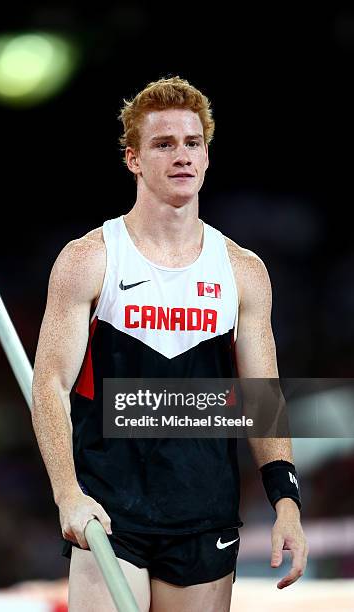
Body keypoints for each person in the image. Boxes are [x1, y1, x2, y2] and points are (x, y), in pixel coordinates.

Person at [31, 76, 308, 611]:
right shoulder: (89, 258)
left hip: (204, 513)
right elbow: (50, 383)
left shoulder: (241, 271)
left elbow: (261, 397)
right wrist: (67, 492)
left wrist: (287, 501)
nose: (181, 156)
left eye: (192, 143)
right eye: (163, 144)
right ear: (133, 159)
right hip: (109, 514)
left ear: (205, 157)